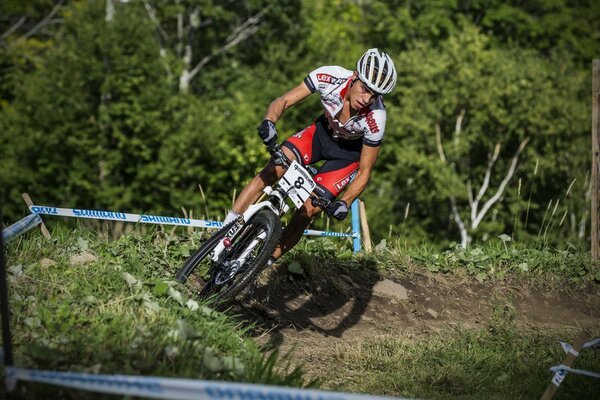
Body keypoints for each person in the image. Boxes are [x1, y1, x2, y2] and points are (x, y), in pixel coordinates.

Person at [224, 48, 397, 266]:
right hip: (321, 135)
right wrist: (269, 121)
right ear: (354, 76)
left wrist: (345, 202)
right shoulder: (330, 76)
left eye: (374, 95)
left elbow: (365, 171)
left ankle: (261, 263)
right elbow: (284, 100)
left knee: (308, 211)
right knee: (273, 169)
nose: (366, 98)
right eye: (364, 89)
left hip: (346, 157)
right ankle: (225, 231)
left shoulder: (376, 118)